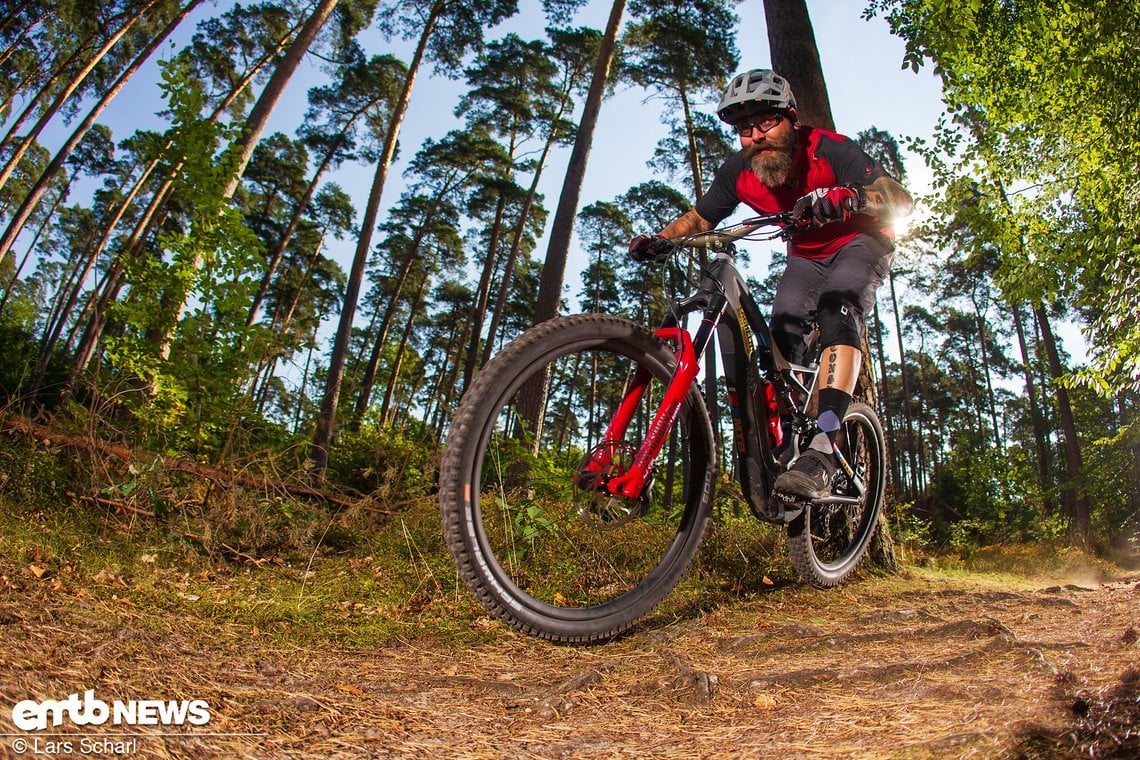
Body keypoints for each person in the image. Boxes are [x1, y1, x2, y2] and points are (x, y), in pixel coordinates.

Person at [628, 68, 912, 500]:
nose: (756, 135)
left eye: (766, 122)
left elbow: (899, 199)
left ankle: (824, 446)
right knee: (781, 334)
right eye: (744, 128)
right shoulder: (739, 172)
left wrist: (848, 198)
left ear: (792, 119)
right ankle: (791, 436)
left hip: (861, 241)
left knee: (838, 307)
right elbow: (701, 218)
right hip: (806, 257)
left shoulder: (830, 150)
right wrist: (660, 240)